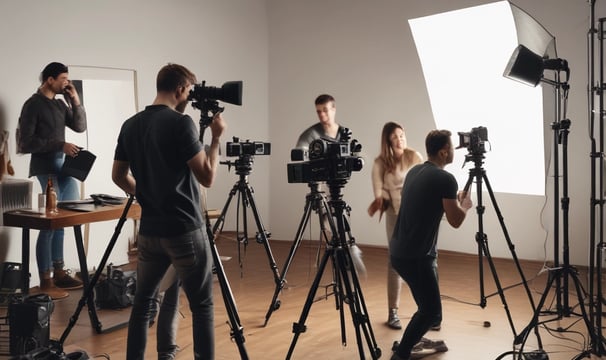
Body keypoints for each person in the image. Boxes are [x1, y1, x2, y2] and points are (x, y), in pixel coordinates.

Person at [112, 63, 225, 360]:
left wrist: (147, 193)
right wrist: (215, 138)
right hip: (185, 229)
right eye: (189, 90)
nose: (190, 96)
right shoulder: (181, 123)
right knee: (202, 306)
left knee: (142, 304)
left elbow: (119, 176)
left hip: (150, 231)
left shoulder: (130, 124)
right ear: (179, 89)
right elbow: (207, 177)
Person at [389, 130, 472, 360]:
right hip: (416, 257)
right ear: (444, 151)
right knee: (430, 311)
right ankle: (402, 353)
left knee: (429, 308)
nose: (454, 151)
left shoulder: (416, 170)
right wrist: (464, 205)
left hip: (398, 252)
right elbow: (456, 220)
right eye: (452, 147)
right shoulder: (445, 179)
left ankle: (415, 338)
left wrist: (453, 199)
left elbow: (429, 201)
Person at [17, 62, 86, 300]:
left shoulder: (59, 104)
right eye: (64, 79)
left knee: (65, 220)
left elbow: (79, 126)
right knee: (49, 224)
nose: (66, 83)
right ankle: (45, 280)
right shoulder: (32, 105)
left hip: (64, 167)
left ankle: (59, 271)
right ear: (49, 80)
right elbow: (24, 143)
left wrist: (75, 100)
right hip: (45, 168)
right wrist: (60, 145)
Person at [367, 122, 423, 330]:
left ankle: (427, 311)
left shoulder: (414, 156)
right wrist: (379, 199)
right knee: (395, 262)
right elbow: (378, 189)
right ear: (388, 142)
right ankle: (393, 312)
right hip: (394, 216)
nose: (400, 140)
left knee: (421, 261)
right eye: (395, 137)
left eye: (402, 135)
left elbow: (424, 182)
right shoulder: (380, 163)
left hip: (415, 215)